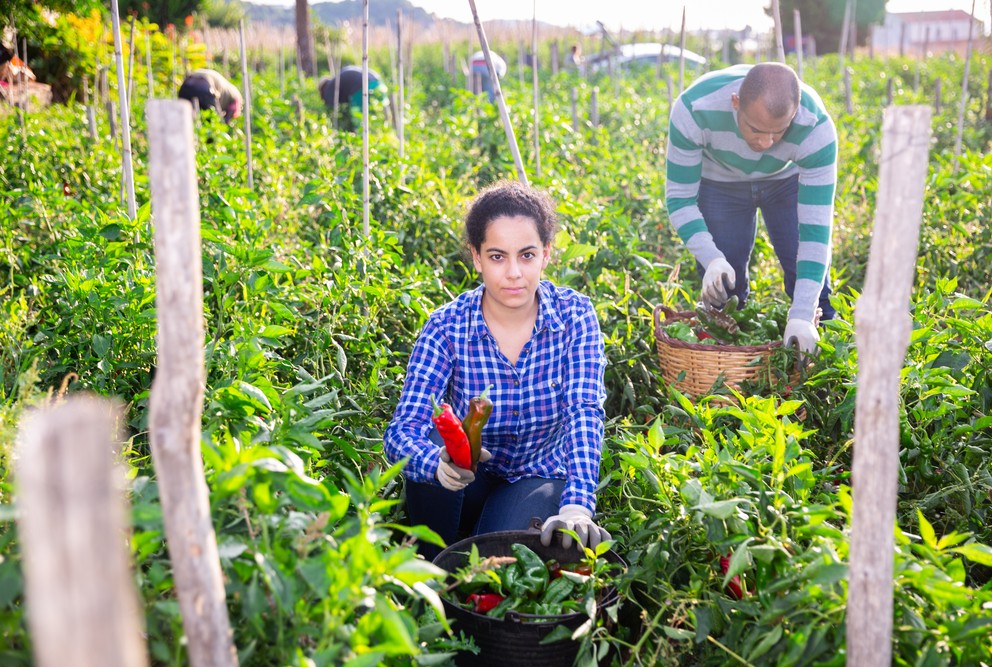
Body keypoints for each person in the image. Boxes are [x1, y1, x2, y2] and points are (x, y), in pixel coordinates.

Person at [384, 180, 611, 561]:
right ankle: (427, 567)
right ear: (476, 257)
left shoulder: (575, 316)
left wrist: (577, 504)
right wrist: (434, 466)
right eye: (497, 256)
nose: (513, 274)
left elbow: (583, 413)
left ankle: (465, 554)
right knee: (433, 465)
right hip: (464, 476)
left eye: (526, 255)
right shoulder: (447, 326)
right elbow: (402, 430)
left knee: (492, 559)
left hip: (536, 474)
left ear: (546, 255)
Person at [665, 62, 837, 353]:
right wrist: (712, 258)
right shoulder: (693, 110)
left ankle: (825, 360)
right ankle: (731, 370)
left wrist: (803, 314)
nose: (766, 143)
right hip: (720, 180)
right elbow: (679, 198)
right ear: (735, 103)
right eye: (756, 129)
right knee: (725, 289)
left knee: (807, 279)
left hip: (785, 180)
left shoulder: (815, 128)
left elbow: (816, 234)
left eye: (778, 132)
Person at [318, 65, 389, 130]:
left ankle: (360, 133)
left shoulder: (329, 87)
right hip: (378, 83)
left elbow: (330, 105)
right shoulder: (338, 78)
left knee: (357, 114)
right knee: (379, 111)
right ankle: (384, 128)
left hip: (362, 87)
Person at [177, 68, 242, 123]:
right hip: (204, 86)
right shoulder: (235, 94)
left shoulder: (226, 88)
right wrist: (225, 123)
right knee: (213, 119)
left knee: (183, 117)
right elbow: (233, 111)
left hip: (186, 85)